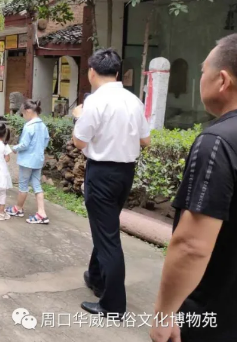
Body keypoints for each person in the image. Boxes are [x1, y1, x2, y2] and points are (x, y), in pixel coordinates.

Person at [150, 34, 237, 342]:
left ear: (222, 80)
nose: (200, 78)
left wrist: (164, 314)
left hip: (213, 319)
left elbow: (192, 245)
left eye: (202, 71)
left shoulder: (218, 142)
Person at [72, 48, 151, 317]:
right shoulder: (133, 100)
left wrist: (78, 117)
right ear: (117, 73)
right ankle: (96, 277)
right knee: (105, 228)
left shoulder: (94, 102)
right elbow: (146, 140)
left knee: (108, 238)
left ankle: (113, 304)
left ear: (91, 72)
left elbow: (79, 141)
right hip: (125, 173)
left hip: (102, 172)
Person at [6, 99, 51, 224]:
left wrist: (14, 148)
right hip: (38, 160)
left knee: (23, 186)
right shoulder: (43, 125)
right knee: (37, 185)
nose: (23, 116)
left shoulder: (29, 126)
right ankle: (41, 213)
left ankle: (18, 208)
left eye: (23, 113)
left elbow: (24, 144)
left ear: (28, 111)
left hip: (27, 161)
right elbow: (46, 140)